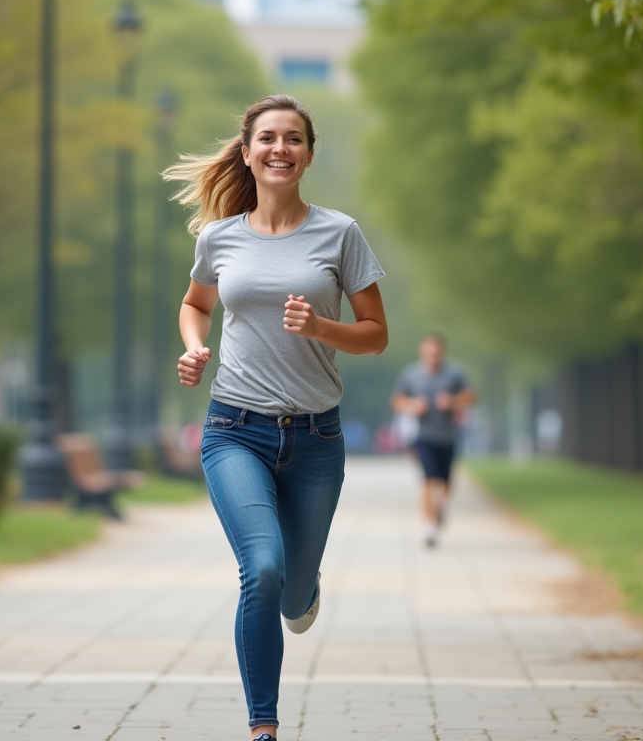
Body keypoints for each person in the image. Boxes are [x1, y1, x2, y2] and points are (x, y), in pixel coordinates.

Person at [166, 94, 388, 741]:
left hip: (316, 437)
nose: (279, 149)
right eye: (267, 138)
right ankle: (263, 727)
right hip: (235, 430)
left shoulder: (339, 233)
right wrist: (194, 347)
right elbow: (195, 304)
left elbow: (375, 334)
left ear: (308, 155)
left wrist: (321, 326)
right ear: (247, 151)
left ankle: (304, 591)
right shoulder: (219, 237)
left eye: (293, 139)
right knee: (262, 568)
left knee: (294, 592)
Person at [390, 333, 475, 547]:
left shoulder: (455, 374)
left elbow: (470, 396)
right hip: (422, 437)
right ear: (422, 351)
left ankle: (440, 507)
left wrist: (452, 401)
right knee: (428, 480)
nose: (432, 355)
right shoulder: (411, 375)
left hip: (447, 436)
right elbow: (397, 400)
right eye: (428, 351)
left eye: (436, 352)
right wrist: (412, 406)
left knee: (446, 483)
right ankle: (430, 527)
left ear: (442, 352)